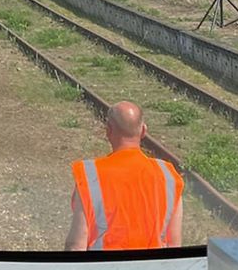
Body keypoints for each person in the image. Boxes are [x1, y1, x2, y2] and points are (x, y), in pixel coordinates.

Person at [66, 101, 184, 250]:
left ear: (108, 131)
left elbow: (76, 245)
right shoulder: (168, 177)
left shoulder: (91, 175)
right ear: (143, 131)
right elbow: (174, 243)